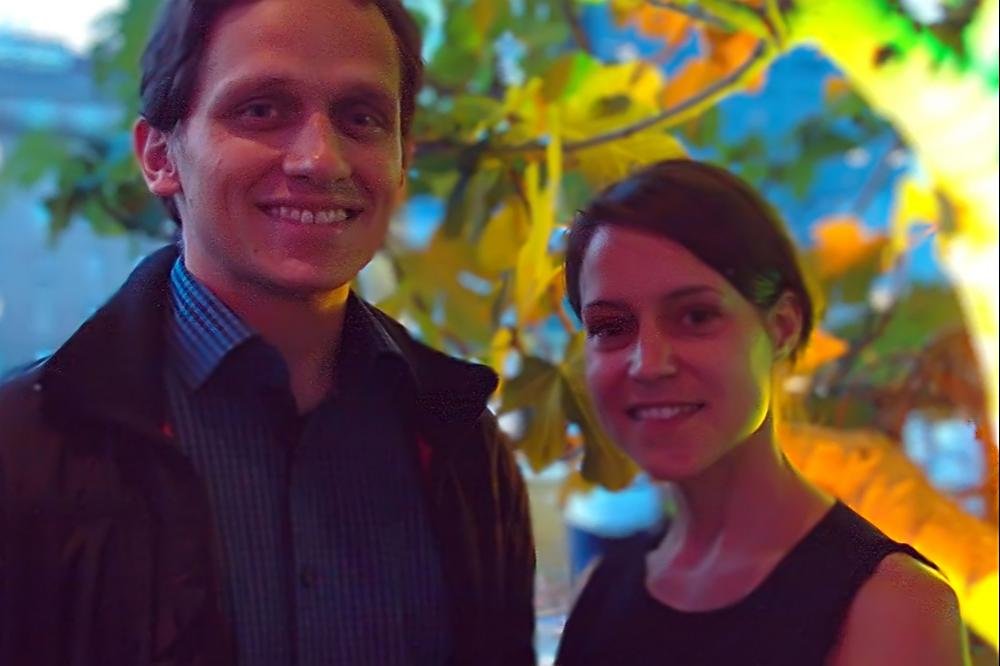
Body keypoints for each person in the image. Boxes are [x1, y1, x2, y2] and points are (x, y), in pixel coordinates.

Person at [0, 1, 535, 664]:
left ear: (402, 161)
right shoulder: (23, 452)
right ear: (160, 156)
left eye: (361, 118)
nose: (321, 160)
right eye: (261, 110)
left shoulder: (462, 443)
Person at [555, 159, 969, 665]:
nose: (648, 363)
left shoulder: (893, 607)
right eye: (611, 327)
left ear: (782, 327)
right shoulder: (604, 586)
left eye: (695, 316)